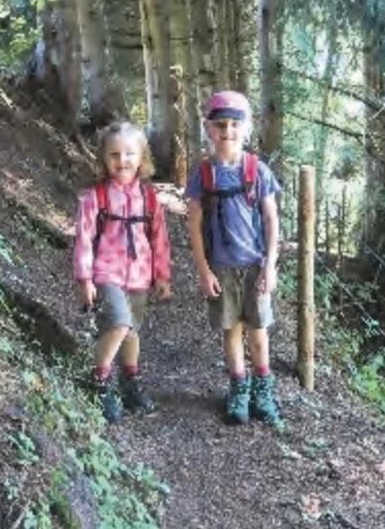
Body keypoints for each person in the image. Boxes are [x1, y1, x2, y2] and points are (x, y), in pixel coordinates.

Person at [185, 90, 283, 426]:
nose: (228, 131)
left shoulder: (258, 171)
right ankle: (239, 389)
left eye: (234, 124)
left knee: (258, 331)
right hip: (222, 267)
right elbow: (194, 223)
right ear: (208, 129)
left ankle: (262, 390)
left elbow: (271, 220)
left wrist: (270, 265)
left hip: (255, 265)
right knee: (231, 330)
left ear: (247, 128)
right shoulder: (203, 175)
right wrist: (203, 269)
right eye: (220, 125)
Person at [74, 122, 172, 423]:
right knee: (119, 323)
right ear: (104, 158)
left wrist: (162, 275)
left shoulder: (149, 198)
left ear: (142, 157)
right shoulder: (96, 197)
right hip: (107, 273)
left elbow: (159, 238)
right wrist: (85, 279)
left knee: (131, 332)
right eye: (114, 154)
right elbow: (84, 239)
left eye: (129, 153)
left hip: (140, 275)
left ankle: (129, 382)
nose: (122, 160)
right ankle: (99, 381)